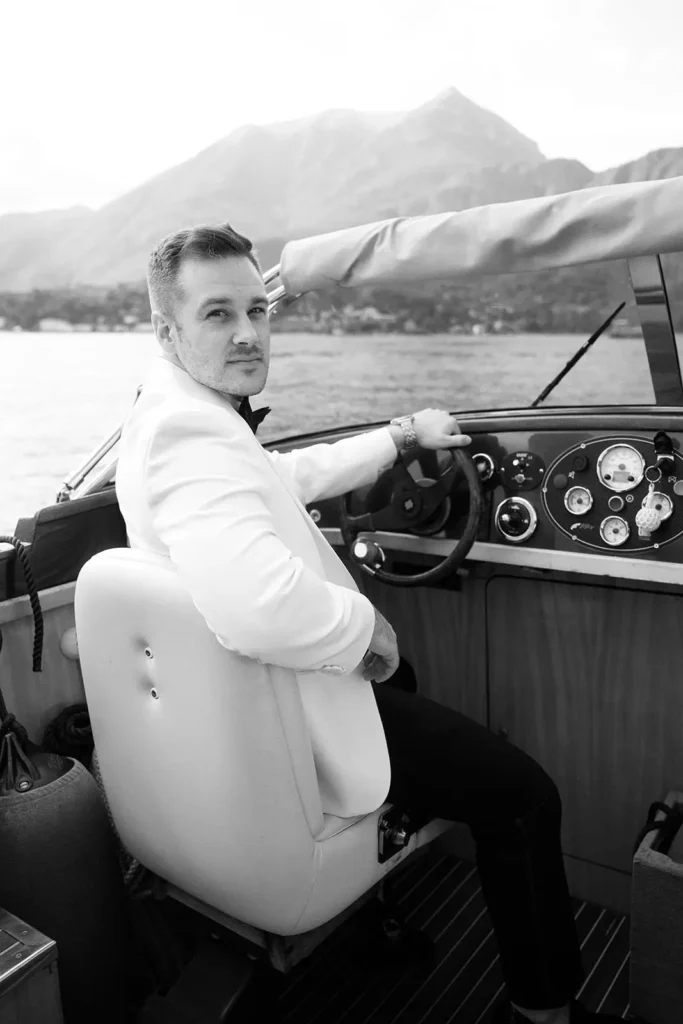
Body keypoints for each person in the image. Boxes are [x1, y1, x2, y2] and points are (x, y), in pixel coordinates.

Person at [115, 221, 622, 1024]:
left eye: (258, 309)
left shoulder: (171, 413)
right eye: (218, 314)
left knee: (412, 690)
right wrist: (368, 632)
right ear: (166, 328)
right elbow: (259, 604)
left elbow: (275, 478)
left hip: (237, 721)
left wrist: (392, 438)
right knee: (523, 797)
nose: (248, 333)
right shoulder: (190, 433)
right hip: (293, 717)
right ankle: (543, 1013)